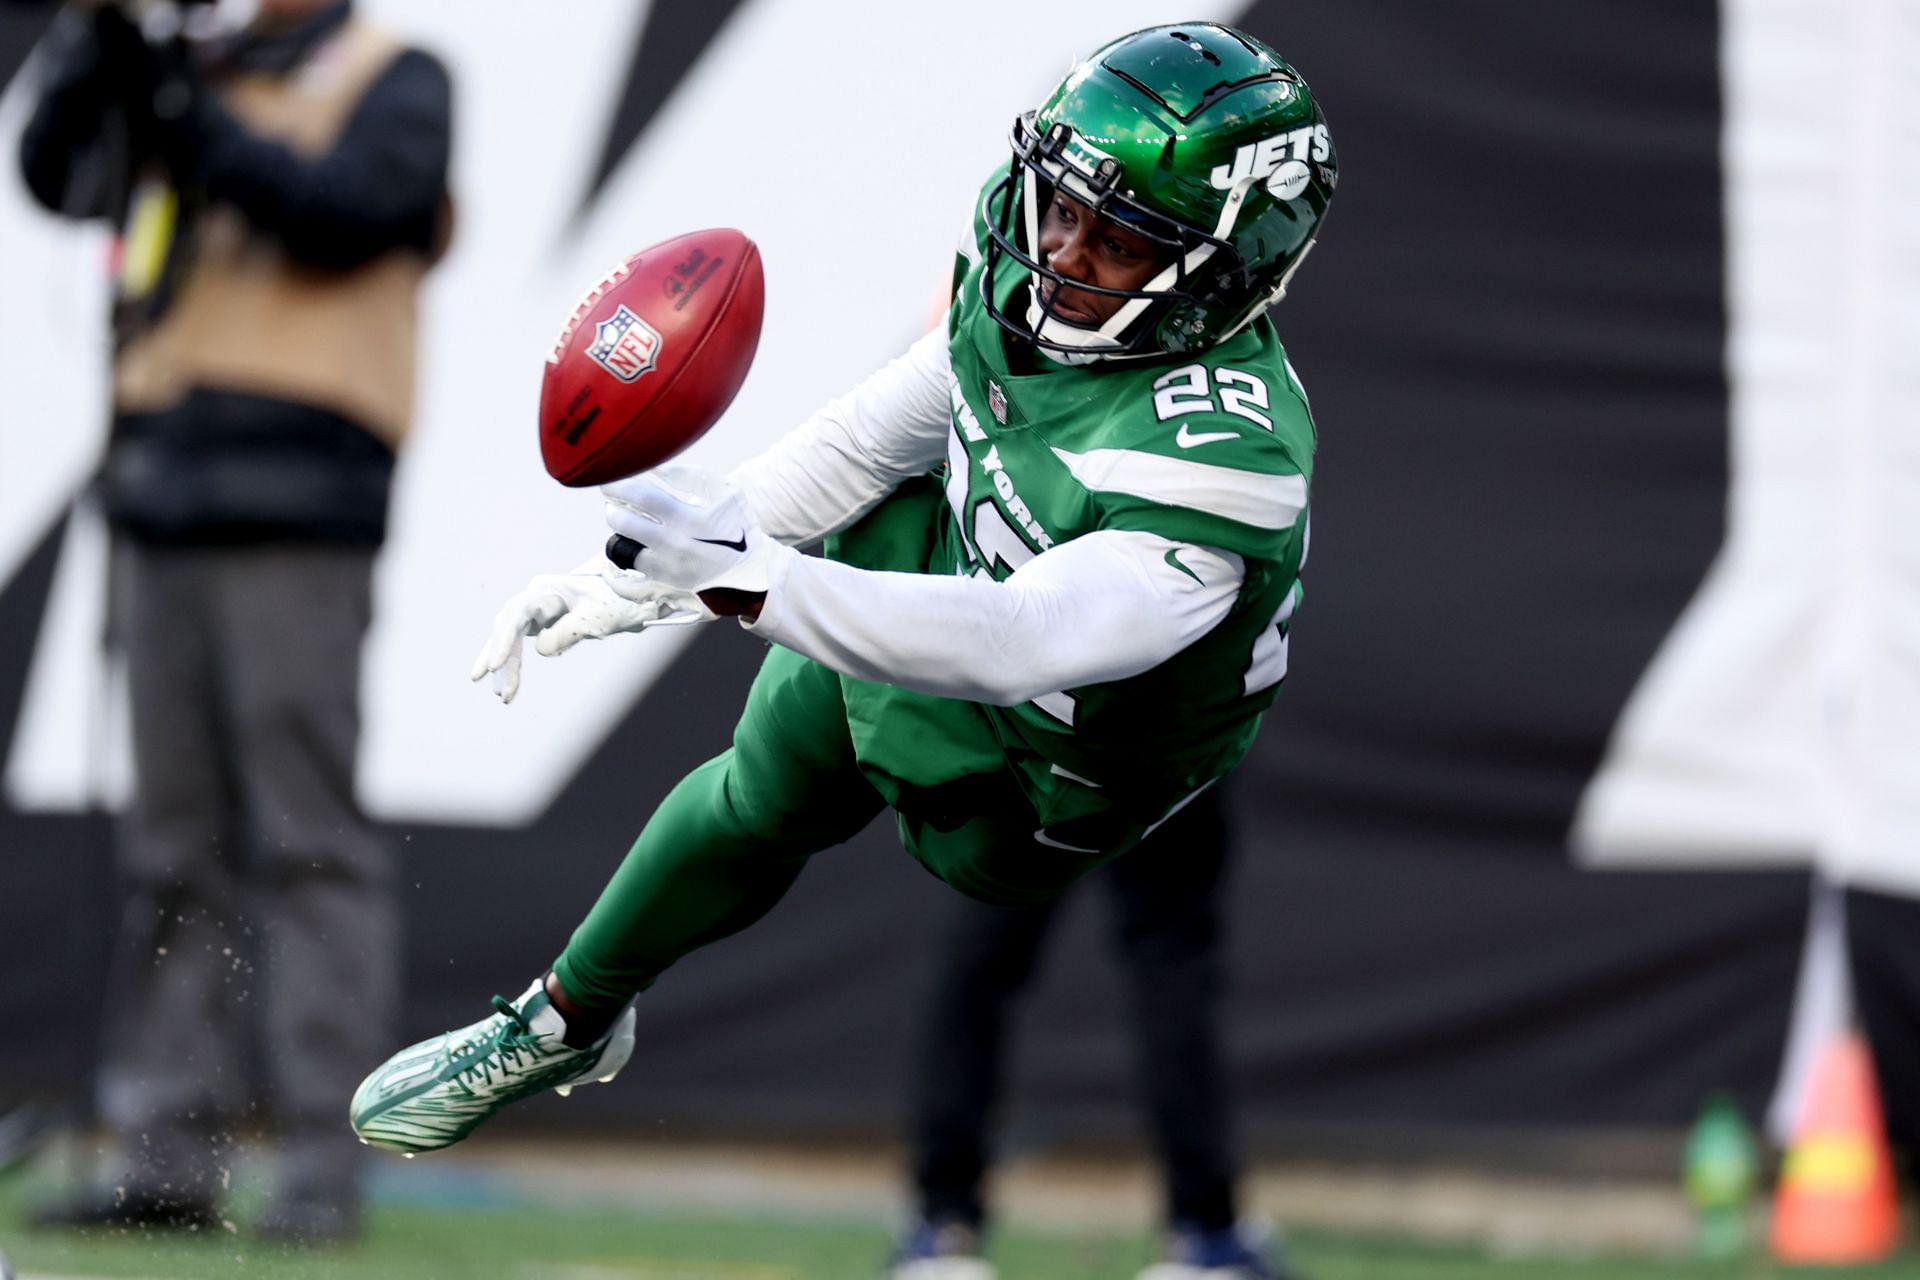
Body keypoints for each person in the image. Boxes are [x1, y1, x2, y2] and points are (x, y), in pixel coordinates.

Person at [351, 24, 1330, 1275]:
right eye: (1063, 206)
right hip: (987, 622)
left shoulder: (1223, 460)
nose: (1065, 253)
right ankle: (562, 1018)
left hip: (1061, 784)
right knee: (819, 656)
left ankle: (1144, 1227)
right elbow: (873, 439)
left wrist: (747, 580)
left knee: (839, 713)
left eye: (1124, 238)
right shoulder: (1026, 285)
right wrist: (640, 578)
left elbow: (1018, 639)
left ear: (1223, 271)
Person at [18, 0, 452, 1243]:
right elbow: (59, 173)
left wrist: (190, 111)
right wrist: (100, 52)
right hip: (160, 497)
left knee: (310, 843)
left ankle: (327, 1157)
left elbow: (349, 210)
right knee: (171, 852)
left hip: (296, 508)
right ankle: (168, 1157)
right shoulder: (183, 71)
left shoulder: (392, 75)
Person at [890, 788, 1291, 1280]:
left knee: (985, 958)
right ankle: (1206, 1236)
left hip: (1048, 746)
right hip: (1157, 745)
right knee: (1168, 961)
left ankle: (942, 1229)